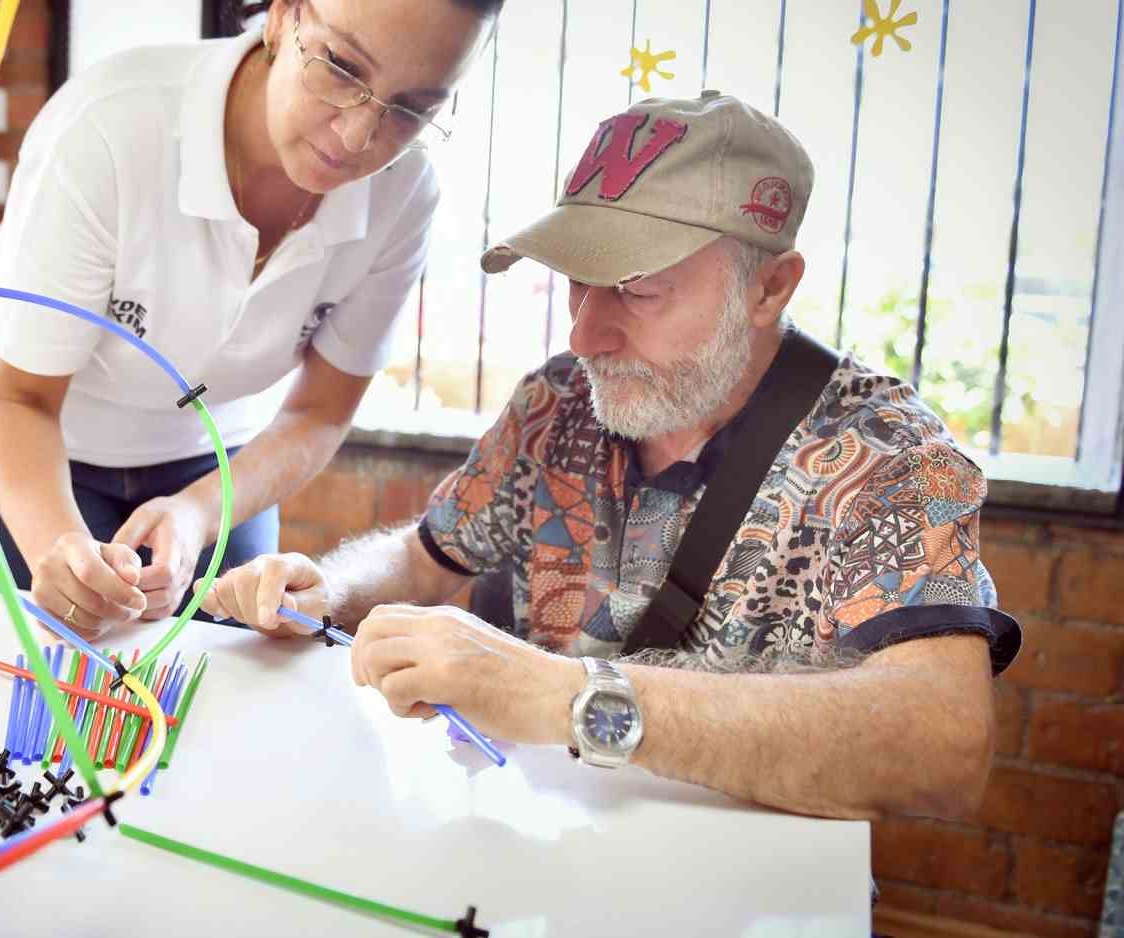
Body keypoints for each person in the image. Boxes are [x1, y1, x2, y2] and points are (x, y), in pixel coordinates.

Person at [204, 92, 1022, 821]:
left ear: (770, 287)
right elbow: (428, 558)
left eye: (636, 288)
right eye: (577, 283)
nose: (584, 335)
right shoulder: (557, 404)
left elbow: (944, 751)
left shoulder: (888, 455)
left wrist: (567, 699)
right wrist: (326, 589)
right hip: (545, 843)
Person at [0, 0, 508, 640]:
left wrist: (198, 512)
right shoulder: (111, 131)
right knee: (71, 665)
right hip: (32, 433)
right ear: (286, 5)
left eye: (413, 109)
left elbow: (319, 411)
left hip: (211, 455)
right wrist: (62, 551)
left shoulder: (405, 194)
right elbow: (16, 400)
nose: (361, 136)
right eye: (341, 66)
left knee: (234, 667)